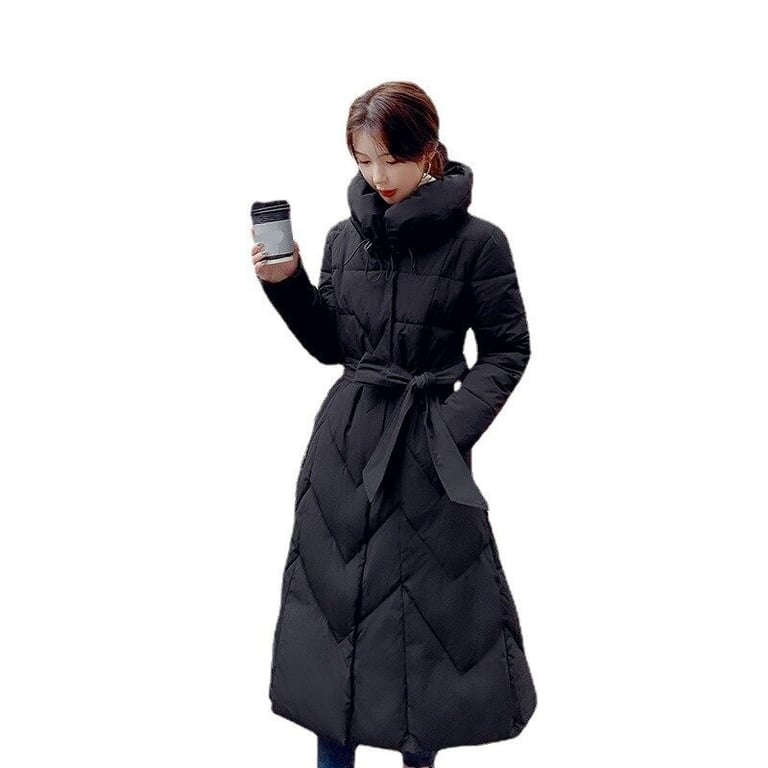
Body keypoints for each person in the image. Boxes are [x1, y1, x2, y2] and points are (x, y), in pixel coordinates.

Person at [251, 81, 537, 768]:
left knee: (427, 631)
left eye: (391, 159)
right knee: (335, 625)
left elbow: (508, 349)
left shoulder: (479, 244)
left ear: (428, 151)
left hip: (426, 450)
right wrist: (286, 285)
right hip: (344, 451)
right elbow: (332, 346)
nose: (378, 175)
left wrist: (447, 432)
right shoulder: (342, 239)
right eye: (363, 160)